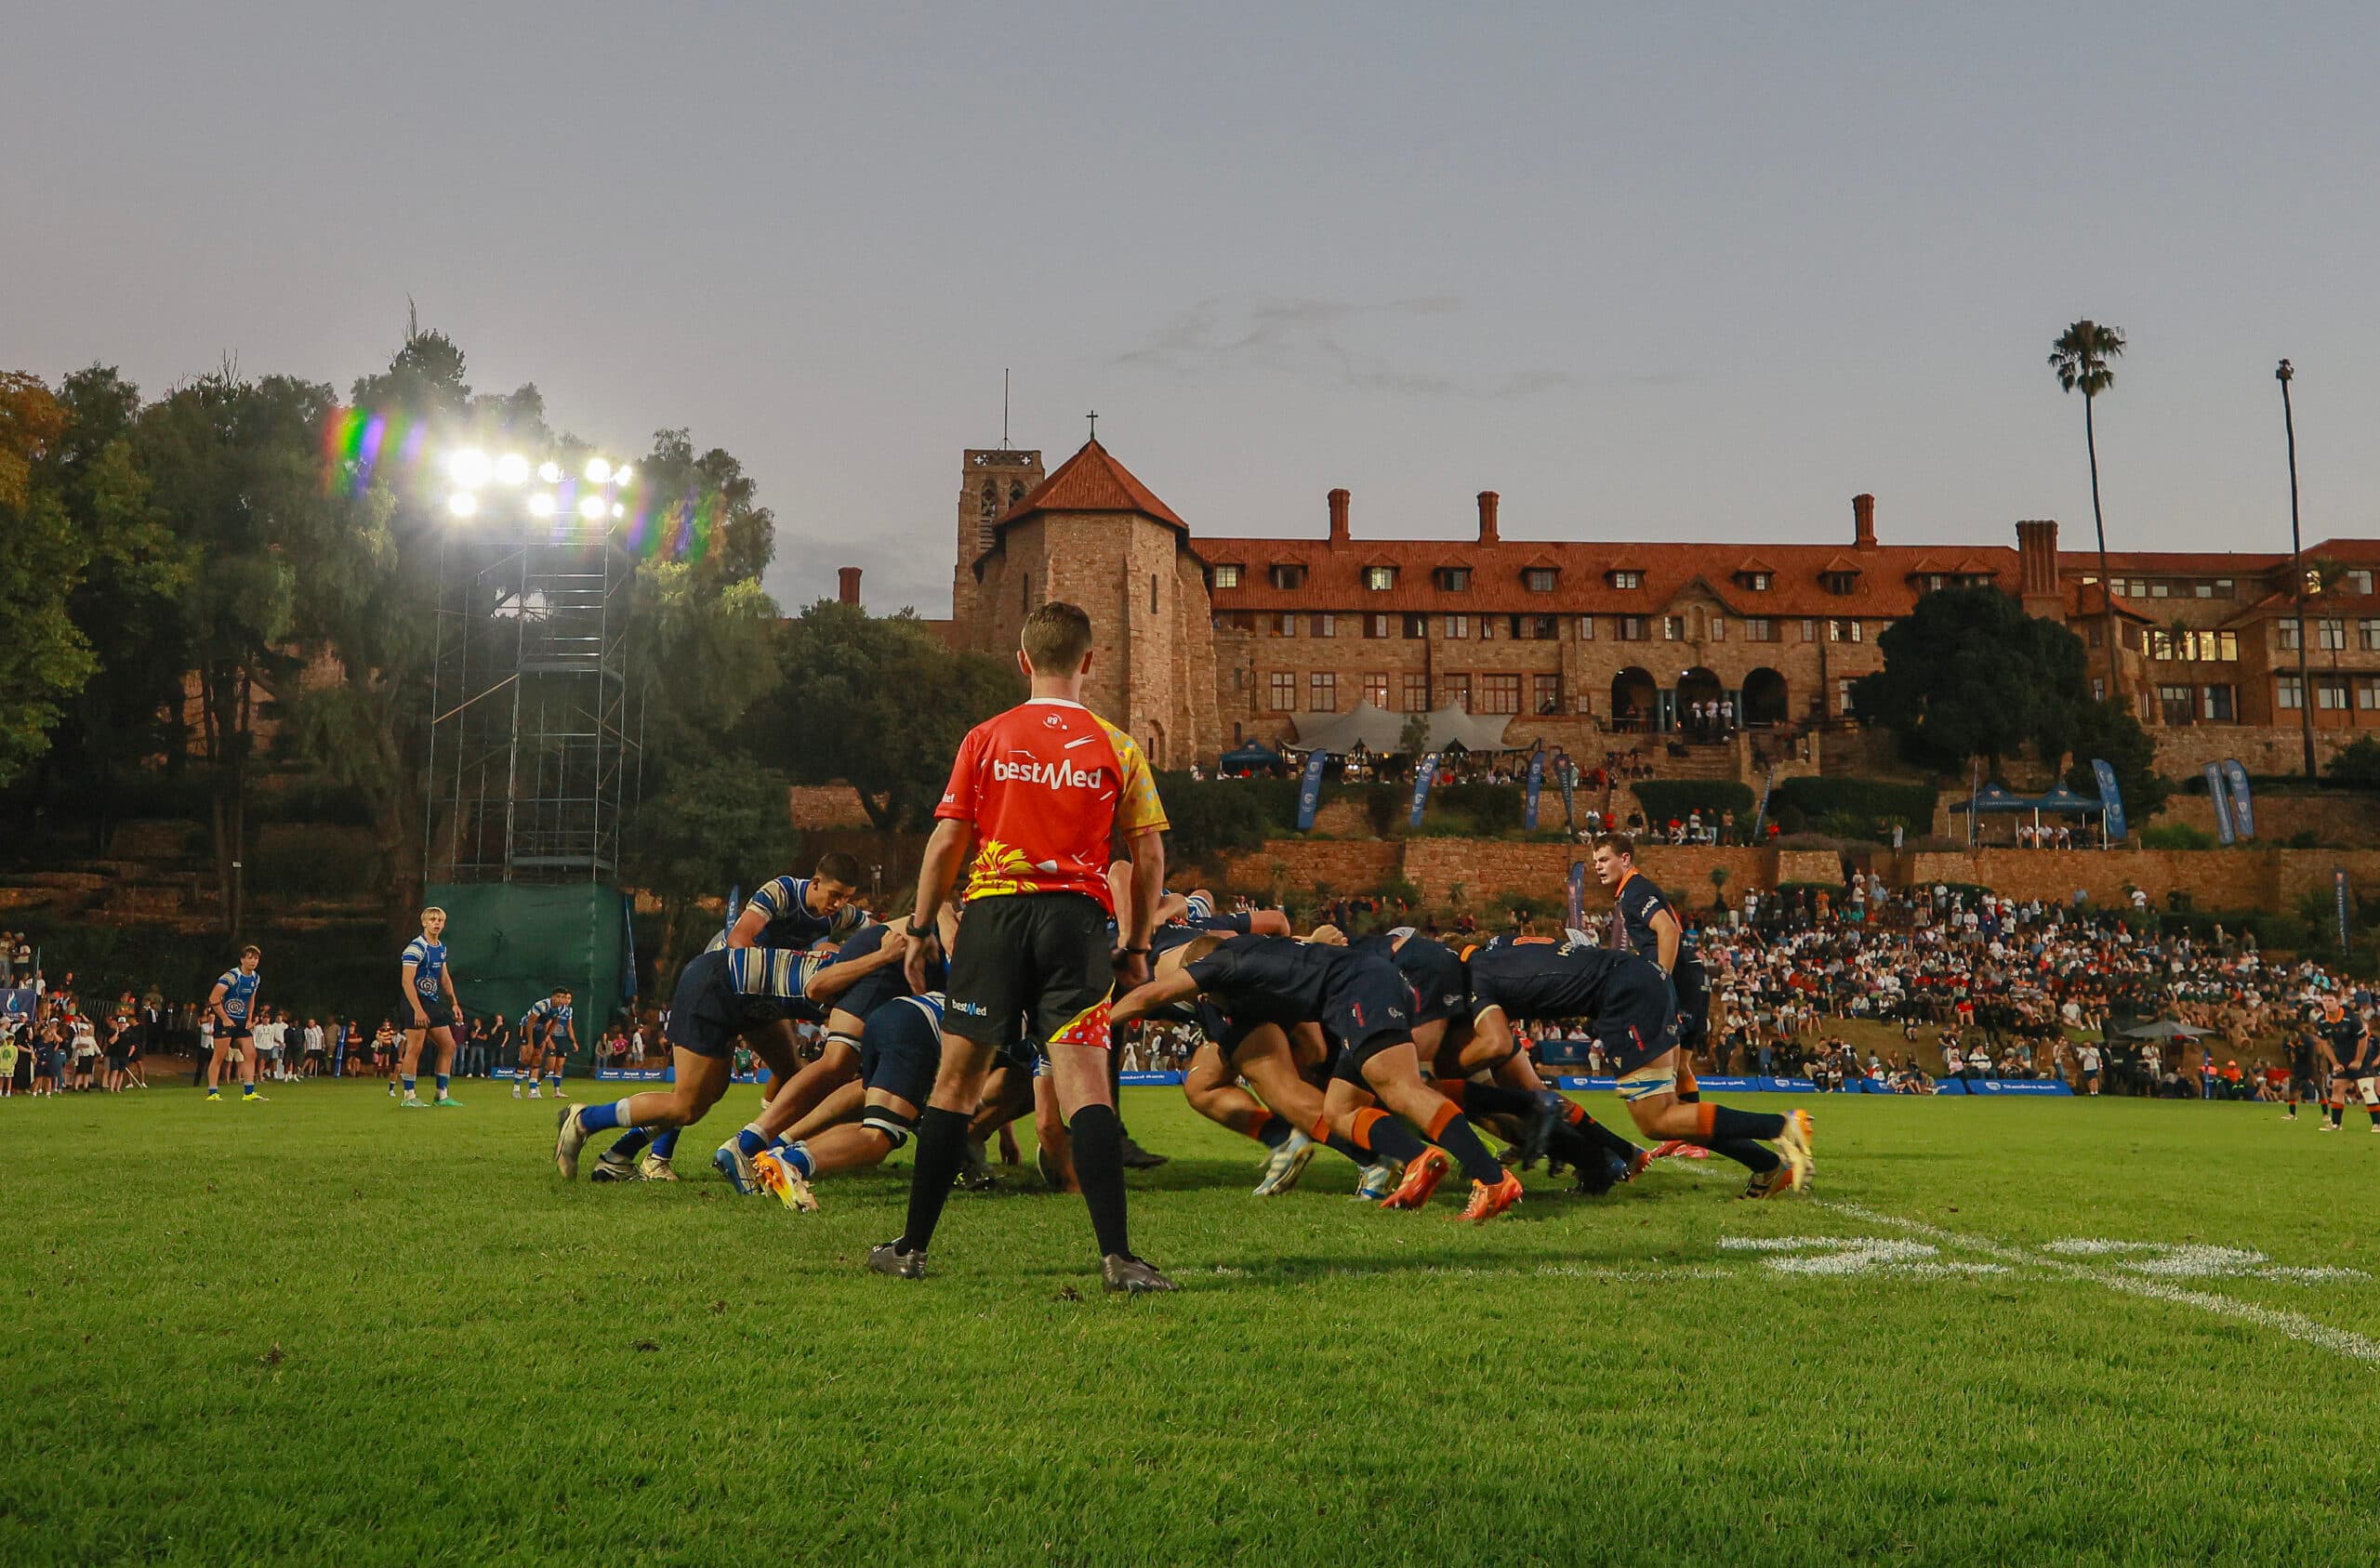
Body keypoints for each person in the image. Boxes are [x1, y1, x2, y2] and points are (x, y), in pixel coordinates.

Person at [875, 600, 1174, 1293]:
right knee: (1085, 1087)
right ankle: (1119, 1258)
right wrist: (1136, 940)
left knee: (956, 1082)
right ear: (1090, 662)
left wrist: (919, 926)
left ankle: (912, 1248)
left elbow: (948, 839)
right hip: (1075, 920)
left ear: (1022, 661)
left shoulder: (987, 737)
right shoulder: (1118, 745)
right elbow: (1149, 853)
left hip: (994, 915)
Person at [1110, 933, 1525, 1220]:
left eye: (1201, 993)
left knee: (1403, 1089)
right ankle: (1417, 1160)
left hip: (1358, 989)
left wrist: (1097, 1022)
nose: (1202, 1000)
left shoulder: (1220, 963)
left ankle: (1490, 1179)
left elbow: (1154, 994)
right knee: (1341, 1108)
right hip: (1369, 986)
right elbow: (1316, 1049)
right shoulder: (1260, 958)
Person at [1463, 931, 1811, 1198]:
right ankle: (1765, 1164)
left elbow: (1495, 1044)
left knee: (1657, 1118)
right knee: (1669, 1114)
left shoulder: (1475, 975)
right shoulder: (1502, 949)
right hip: (1639, 979)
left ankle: (1780, 1126)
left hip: (1623, 994)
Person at [397, 907, 466, 1108]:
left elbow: (444, 977)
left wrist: (454, 1002)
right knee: (415, 1048)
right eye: (432, 919)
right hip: (414, 1002)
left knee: (449, 1045)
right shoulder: (415, 948)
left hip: (432, 1002)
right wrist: (417, 1009)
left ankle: (441, 1095)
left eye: (440, 920)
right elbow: (406, 981)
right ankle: (409, 1096)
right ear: (424, 923)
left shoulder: (441, 948)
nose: (436, 923)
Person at [203, 947, 267, 1103]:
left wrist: (249, 1018)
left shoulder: (255, 978)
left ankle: (249, 1092)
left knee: (251, 1053)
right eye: (250, 958)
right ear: (242, 960)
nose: (253, 961)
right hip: (226, 1019)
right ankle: (212, 1092)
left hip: (241, 1021)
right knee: (219, 1056)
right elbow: (213, 998)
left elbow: (251, 997)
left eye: (256, 958)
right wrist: (224, 1018)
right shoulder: (231, 976)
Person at [519, 989, 577, 1100]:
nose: (565, 1000)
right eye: (564, 997)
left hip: (562, 1040)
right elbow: (546, 1025)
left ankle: (556, 1091)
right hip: (551, 1039)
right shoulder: (550, 1008)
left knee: (559, 1066)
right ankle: (534, 1085)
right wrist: (547, 1039)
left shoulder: (568, 1010)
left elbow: (569, 1026)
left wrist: (573, 1041)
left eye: (568, 998)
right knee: (549, 1066)